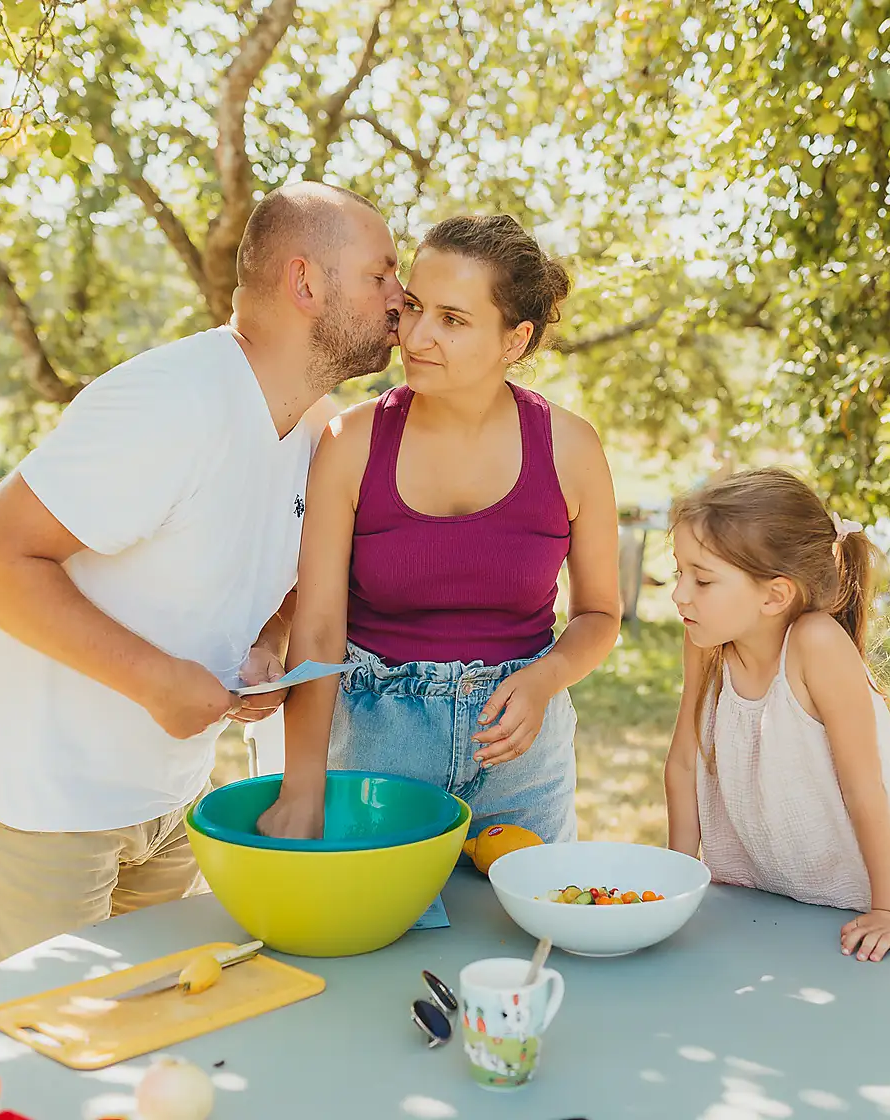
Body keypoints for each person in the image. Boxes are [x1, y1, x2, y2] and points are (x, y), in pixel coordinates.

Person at [0, 182, 406, 975]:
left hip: (169, 808)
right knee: (36, 1068)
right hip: (42, 805)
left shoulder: (321, 428)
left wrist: (267, 640)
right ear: (306, 283)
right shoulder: (171, 402)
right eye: (382, 274)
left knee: (140, 1056)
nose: (403, 298)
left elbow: (282, 571)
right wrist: (156, 681)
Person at [257, 214, 621, 845]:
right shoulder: (352, 444)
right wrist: (302, 788)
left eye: (453, 320)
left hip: (520, 758)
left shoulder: (571, 448)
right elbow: (318, 628)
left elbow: (599, 615)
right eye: (415, 307)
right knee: (379, 937)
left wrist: (545, 679)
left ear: (515, 340)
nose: (417, 336)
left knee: (524, 941)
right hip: (377, 750)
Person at [662, 467, 890, 961]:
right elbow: (684, 762)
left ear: (774, 594)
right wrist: (676, 884)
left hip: (863, 909)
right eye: (679, 572)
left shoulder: (816, 645)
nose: (679, 593)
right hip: (771, 906)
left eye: (701, 579)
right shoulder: (707, 643)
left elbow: (865, 788)